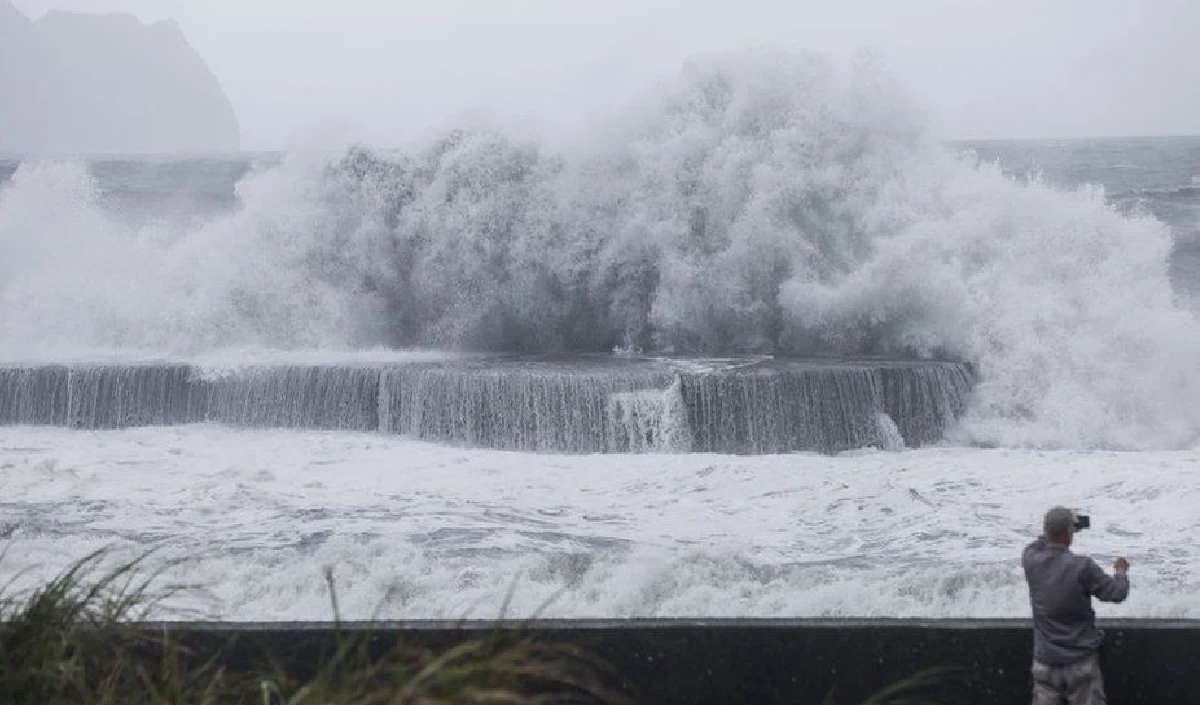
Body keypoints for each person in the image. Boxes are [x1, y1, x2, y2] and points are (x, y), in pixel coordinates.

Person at [1022, 506, 1130, 705]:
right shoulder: (1082, 566)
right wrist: (1121, 572)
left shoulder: (1030, 560)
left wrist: (1061, 527)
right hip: (1081, 663)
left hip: (1045, 662)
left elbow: (1040, 541)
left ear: (1047, 531)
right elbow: (1116, 593)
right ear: (1070, 533)